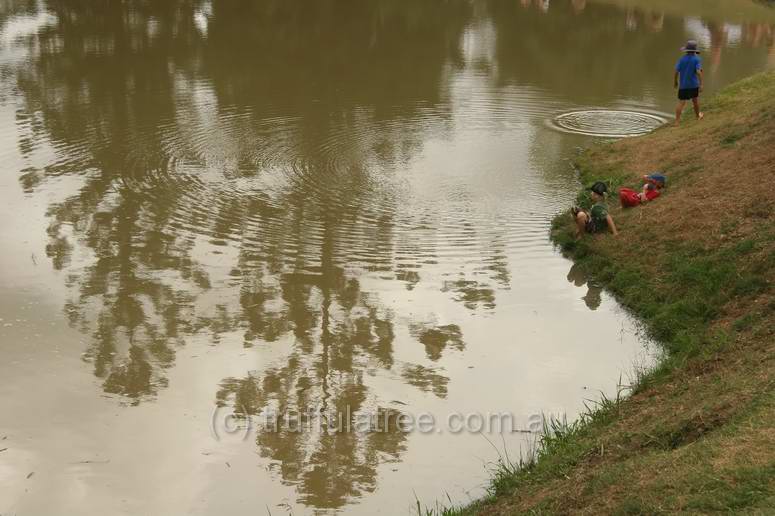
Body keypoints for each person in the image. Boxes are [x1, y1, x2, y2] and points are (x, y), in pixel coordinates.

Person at [674, 40, 704, 125]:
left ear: (686, 50)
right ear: (695, 51)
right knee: (695, 101)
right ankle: (698, 116)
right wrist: (701, 84)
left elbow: (676, 71)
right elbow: (698, 71)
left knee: (681, 102)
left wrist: (675, 81)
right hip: (694, 85)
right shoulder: (697, 59)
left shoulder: (681, 59)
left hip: (683, 85)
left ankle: (677, 121)